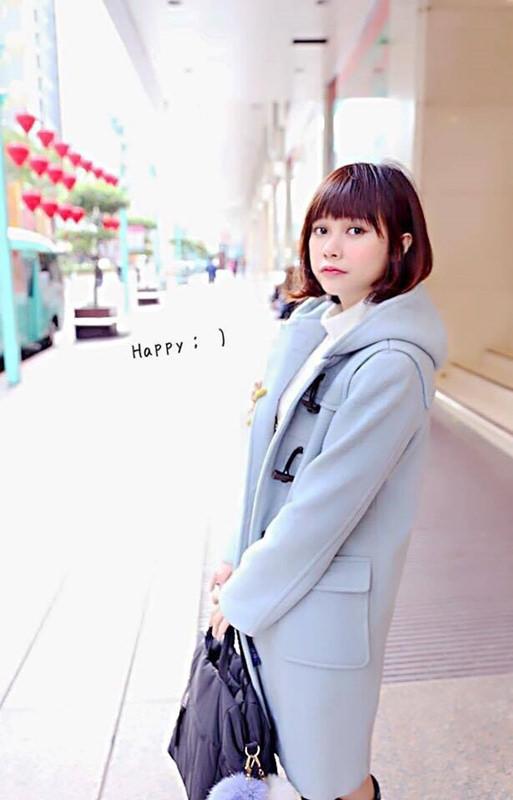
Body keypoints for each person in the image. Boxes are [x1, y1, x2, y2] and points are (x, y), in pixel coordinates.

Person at [208, 162, 448, 800]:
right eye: (322, 230)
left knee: (331, 776)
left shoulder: (392, 363)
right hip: (282, 583)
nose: (331, 248)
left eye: (356, 230)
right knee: (301, 761)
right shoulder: (316, 329)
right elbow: (265, 463)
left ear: (401, 244)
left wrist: (241, 595)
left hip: (324, 603)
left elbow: (324, 506)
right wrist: (236, 555)